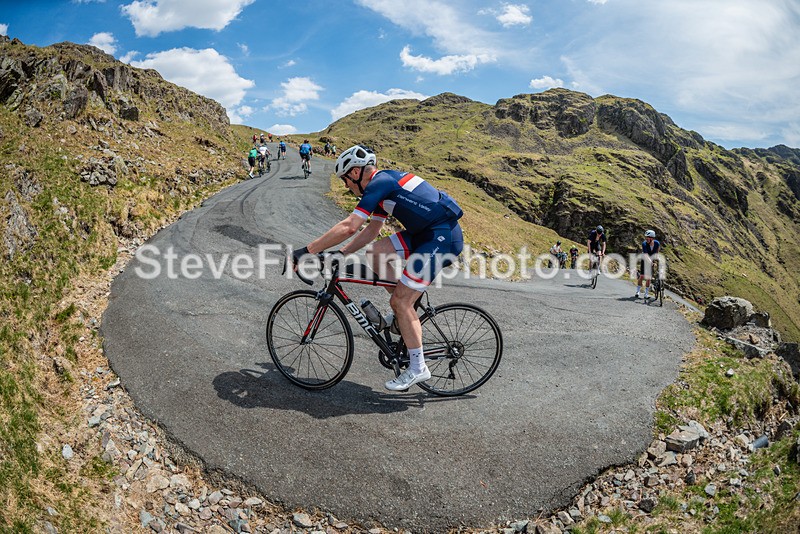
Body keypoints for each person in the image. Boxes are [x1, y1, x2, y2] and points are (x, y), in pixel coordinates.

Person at [291, 144, 464, 391]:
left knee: (401, 301)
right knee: (375, 253)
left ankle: (418, 367)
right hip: (425, 233)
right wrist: (340, 253)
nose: (346, 187)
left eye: (344, 180)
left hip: (442, 237)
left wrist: (307, 251)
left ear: (355, 173)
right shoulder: (384, 186)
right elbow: (372, 231)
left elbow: (350, 226)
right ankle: (404, 310)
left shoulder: (379, 183)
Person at [636, 230, 661, 299]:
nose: (646, 239)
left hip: (652, 259)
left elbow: (657, 252)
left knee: (649, 278)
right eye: (646, 237)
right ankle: (638, 291)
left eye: (648, 237)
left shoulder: (657, 243)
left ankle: (646, 294)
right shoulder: (644, 244)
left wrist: (656, 259)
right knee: (642, 276)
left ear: (652, 238)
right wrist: (651, 262)